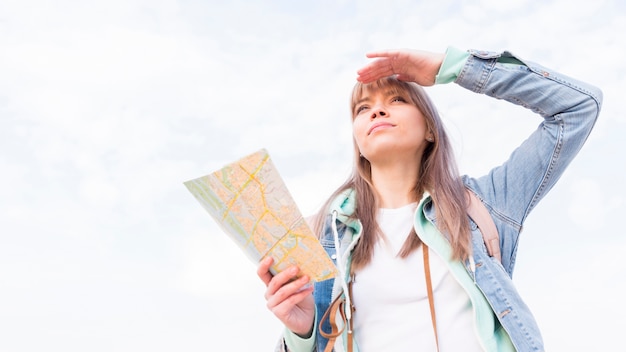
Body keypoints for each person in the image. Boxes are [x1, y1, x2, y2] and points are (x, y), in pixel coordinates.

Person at [257, 46, 603, 352]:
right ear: (358, 141)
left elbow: (577, 108)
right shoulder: (323, 233)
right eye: (363, 108)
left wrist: (450, 67)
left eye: (397, 99)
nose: (377, 111)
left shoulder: (485, 204)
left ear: (430, 129)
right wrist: (301, 335)